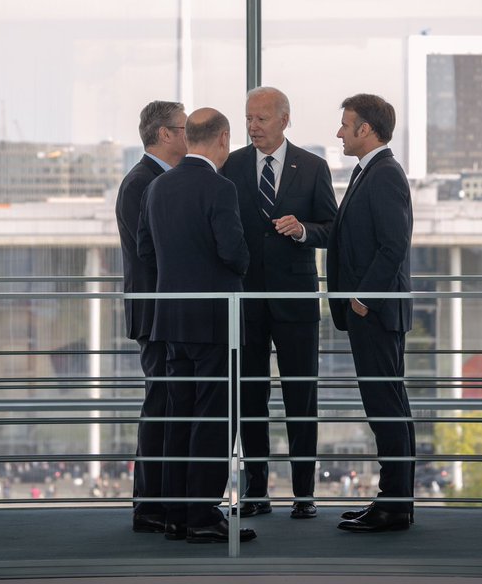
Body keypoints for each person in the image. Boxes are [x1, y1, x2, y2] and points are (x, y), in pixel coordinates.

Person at [137, 107, 256, 544]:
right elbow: (235, 254)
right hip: (213, 322)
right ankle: (204, 516)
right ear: (223, 138)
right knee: (214, 419)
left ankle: (175, 517)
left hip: (170, 321)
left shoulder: (157, 188)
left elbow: (144, 251)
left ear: (190, 138)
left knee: (177, 417)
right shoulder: (219, 189)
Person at [220, 86, 337, 520]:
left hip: (296, 301)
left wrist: (304, 229)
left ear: (284, 120)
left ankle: (304, 495)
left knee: (301, 396)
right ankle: (255, 492)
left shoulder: (313, 167)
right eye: (249, 118)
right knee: (250, 397)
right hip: (246, 301)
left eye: (262, 119)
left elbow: (330, 228)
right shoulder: (228, 166)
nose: (252, 127)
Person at [326, 93, 416, 533]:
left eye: (345, 125)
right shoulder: (371, 173)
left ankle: (394, 505)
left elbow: (393, 245)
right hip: (372, 313)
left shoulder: (384, 175)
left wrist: (362, 298)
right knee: (386, 407)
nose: (339, 132)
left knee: (386, 408)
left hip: (376, 314)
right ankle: (393, 501)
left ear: (366, 130)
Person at [114, 100, 187, 534]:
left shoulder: (155, 180)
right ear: (163, 135)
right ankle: (149, 506)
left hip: (164, 312)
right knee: (160, 408)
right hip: (157, 314)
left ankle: (158, 503)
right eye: (182, 129)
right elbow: (154, 254)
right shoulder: (142, 183)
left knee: (165, 406)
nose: (187, 136)